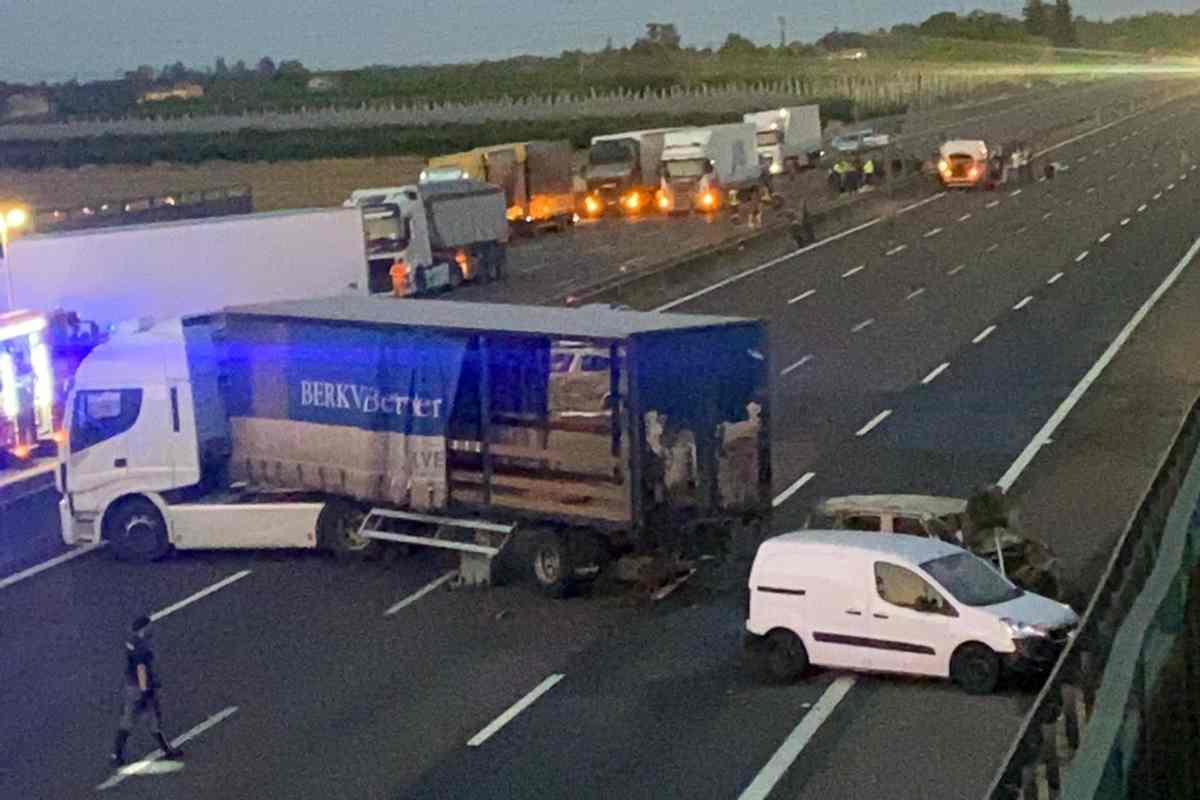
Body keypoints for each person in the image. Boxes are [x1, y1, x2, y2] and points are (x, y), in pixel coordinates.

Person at [111, 616, 183, 767]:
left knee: (128, 720)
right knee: (153, 720)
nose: (152, 628)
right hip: (142, 688)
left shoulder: (131, 641)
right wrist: (145, 690)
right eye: (150, 626)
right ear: (144, 628)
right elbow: (141, 667)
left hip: (131, 687)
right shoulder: (142, 646)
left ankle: (116, 753)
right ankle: (167, 750)